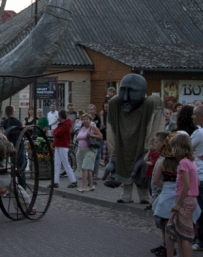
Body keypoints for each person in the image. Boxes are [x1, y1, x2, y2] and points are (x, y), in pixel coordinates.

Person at [106, 74, 165, 204]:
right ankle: (126, 195)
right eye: (123, 90)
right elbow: (111, 131)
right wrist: (114, 156)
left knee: (140, 171)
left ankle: (144, 196)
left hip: (142, 147)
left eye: (132, 91)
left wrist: (148, 152)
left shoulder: (150, 104)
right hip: (123, 147)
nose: (125, 97)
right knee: (126, 168)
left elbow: (155, 131)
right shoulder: (115, 104)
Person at [167, 132, 199, 257]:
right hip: (190, 198)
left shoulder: (184, 163)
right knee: (181, 232)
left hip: (185, 199)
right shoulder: (191, 162)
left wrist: (178, 204)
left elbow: (186, 185)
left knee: (185, 235)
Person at [75, 113, 103, 192]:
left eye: (87, 119)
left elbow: (101, 136)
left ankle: (82, 186)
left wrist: (92, 135)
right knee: (87, 169)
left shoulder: (93, 128)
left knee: (85, 168)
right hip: (81, 150)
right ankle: (91, 185)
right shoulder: (82, 128)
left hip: (90, 150)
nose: (85, 121)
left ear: (90, 120)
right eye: (83, 119)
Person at [50, 110, 77, 188]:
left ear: (60, 116)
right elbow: (57, 131)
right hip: (59, 145)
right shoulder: (62, 124)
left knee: (65, 163)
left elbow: (57, 133)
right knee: (57, 163)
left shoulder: (65, 124)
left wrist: (55, 132)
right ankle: (56, 181)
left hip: (62, 145)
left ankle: (73, 180)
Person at [1, 105, 25, 189]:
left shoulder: (4, 123)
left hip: (9, 146)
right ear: (12, 112)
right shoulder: (18, 122)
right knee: (21, 168)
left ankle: (10, 187)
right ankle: (22, 187)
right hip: (19, 146)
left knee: (10, 167)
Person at [191, 105, 203, 252]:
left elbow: (185, 147)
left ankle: (200, 240)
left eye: (195, 114)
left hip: (199, 175)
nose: (193, 117)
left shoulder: (199, 133)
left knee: (199, 210)